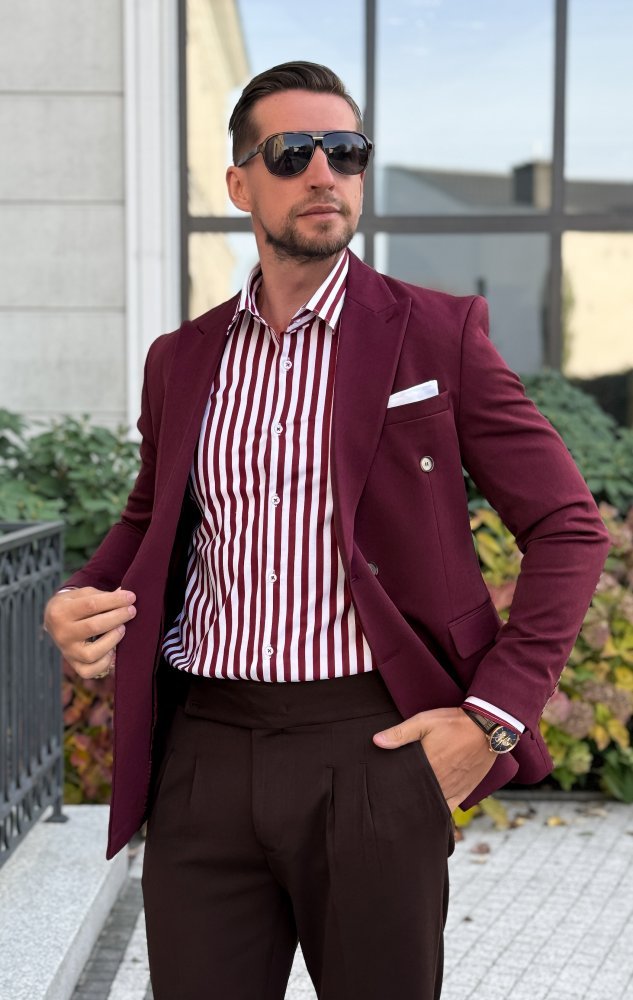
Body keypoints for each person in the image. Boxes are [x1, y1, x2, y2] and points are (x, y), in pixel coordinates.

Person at [44, 61, 610, 1000]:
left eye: (345, 151)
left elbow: (566, 525)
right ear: (240, 183)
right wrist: (80, 596)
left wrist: (493, 719)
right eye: (292, 152)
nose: (324, 173)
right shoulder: (181, 359)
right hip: (204, 753)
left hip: (371, 750)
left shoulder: (435, 334)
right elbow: (152, 513)